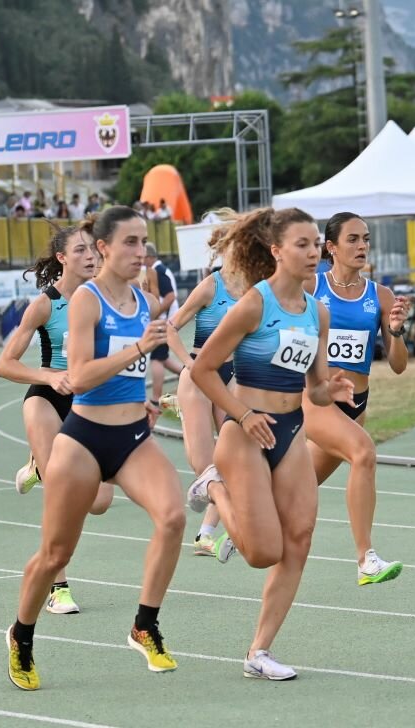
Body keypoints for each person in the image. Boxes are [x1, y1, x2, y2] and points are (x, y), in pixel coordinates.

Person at [7, 206, 186, 690]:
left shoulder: (145, 301)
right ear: (104, 247)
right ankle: (21, 635)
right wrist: (137, 350)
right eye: (130, 242)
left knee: (173, 517)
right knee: (55, 553)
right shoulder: (86, 300)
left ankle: (144, 625)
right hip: (84, 438)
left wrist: (180, 380)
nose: (141, 251)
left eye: (144, 241)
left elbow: (154, 357)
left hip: (133, 439)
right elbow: (81, 376)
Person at [186, 207, 355, 680]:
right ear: (277, 251)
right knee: (262, 553)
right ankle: (213, 487)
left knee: (299, 539)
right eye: (302, 244)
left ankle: (258, 652)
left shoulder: (317, 311)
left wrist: (330, 390)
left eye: (316, 243)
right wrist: (242, 414)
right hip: (244, 434)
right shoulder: (253, 304)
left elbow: (314, 388)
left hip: (290, 430)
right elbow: (202, 370)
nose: (313, 252)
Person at [0, 218, 115, 615]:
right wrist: (49, 376)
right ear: (62, 258)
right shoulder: (45, 304)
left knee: (99, 501)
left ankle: (36, 464)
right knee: (62, 494)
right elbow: (5, 364)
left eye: (93, 249)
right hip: (48, 400)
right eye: (80, 250)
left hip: (90, 401)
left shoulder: (106, 298)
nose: (90, 256)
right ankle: (58, 586)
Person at [304, 211, 410, 584]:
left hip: (356, 405)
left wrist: (395, 331)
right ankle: (366, 559)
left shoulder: (381, 295)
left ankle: (235, 522)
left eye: (365, 239)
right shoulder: (311, 286)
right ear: (331, 247)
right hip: (317, 399)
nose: (362, 246)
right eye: (353, 239)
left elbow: (398, 365)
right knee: (363, 453)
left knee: (299, 486)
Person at [164, 220, 242, 559]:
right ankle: (231, 523)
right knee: (204, 466)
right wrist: (188, 364)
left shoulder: (257, 288)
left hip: (231, 375)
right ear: (224, 250)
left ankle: (206, 533)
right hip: (198, 376)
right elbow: (170, 327)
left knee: (235, 460)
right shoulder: (211, 286)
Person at [143, 243, 183, 405]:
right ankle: (189, 375)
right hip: (166, 319)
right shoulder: (160, 270)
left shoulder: (158, 271)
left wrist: (156, 312)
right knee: (163, 357)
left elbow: (170, 296)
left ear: (149, 257)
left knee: (156, 358)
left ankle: (156, 397)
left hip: (163, 320)